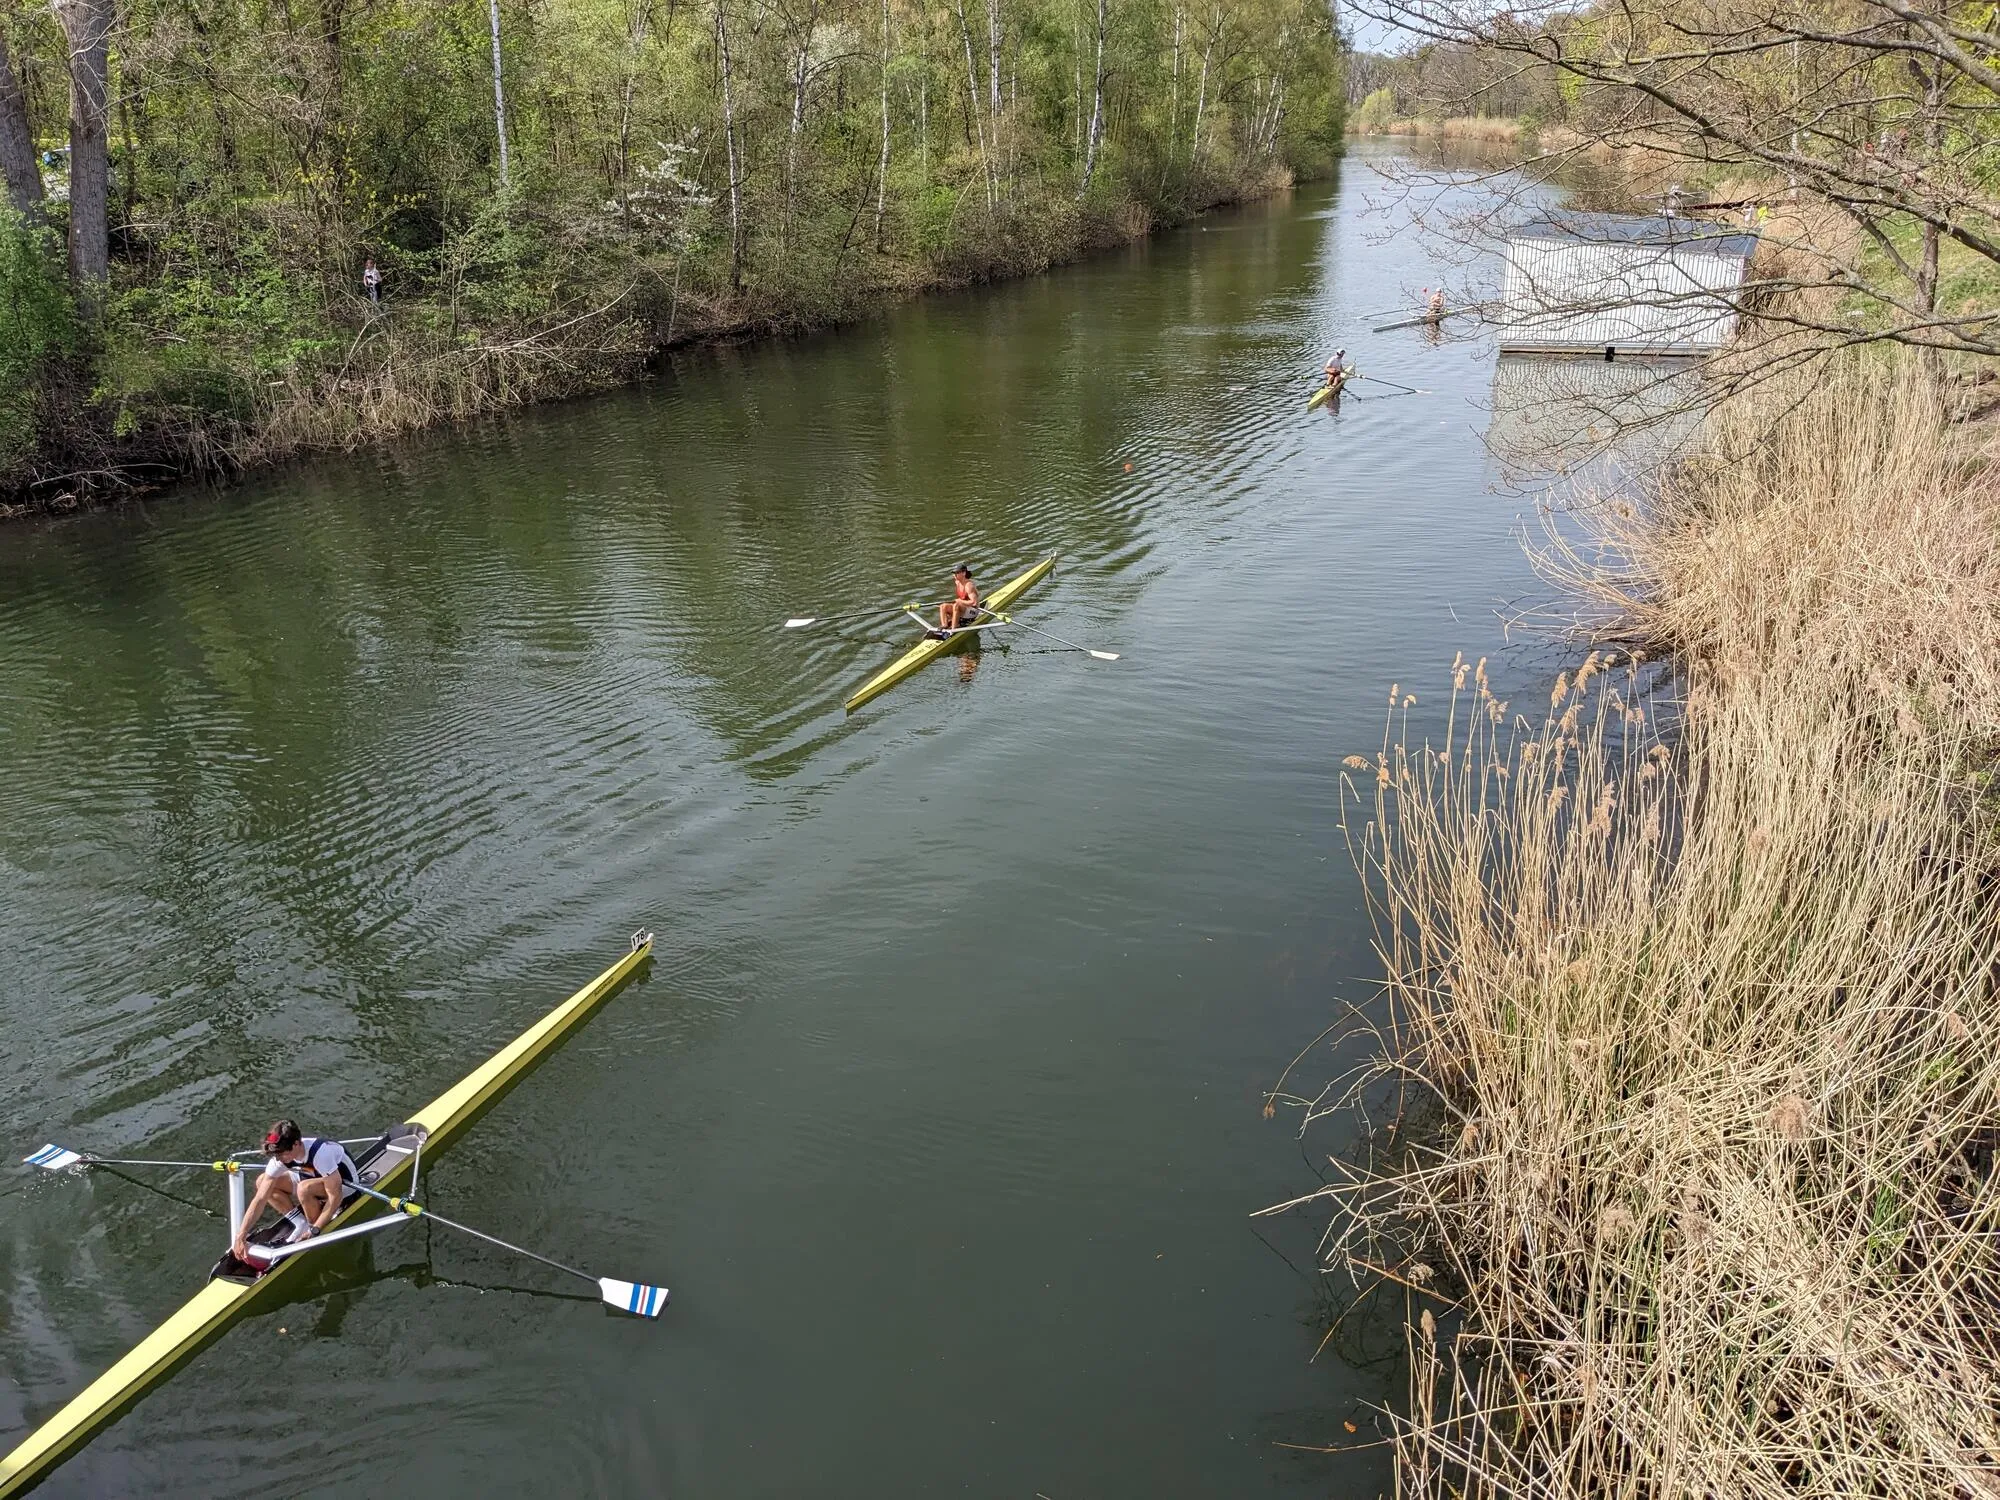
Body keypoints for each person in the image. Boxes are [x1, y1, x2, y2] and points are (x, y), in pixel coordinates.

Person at [231, 1121, 357, 1262]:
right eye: (276, 1155)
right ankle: (300, 1223)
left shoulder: (322, 1153)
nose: (279, 1159)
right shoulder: (282, 1156)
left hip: (346, 1187)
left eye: (282, 1154)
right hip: (312, 1177)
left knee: (304, 1189)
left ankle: (312, 1227)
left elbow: (336, 1196)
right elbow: (260, 1199)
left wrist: (315, 1229)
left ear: (296, 1144)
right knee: (262, 1183)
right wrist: (241, 1235)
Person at [933, 565, 981, 639]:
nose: (954, 575)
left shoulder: (969, 585)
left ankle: (953, 629)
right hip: (964, 608)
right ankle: (945, 625)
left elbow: (973, 603)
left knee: (956, 605)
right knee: (943, 606)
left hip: (973, 611)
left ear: (964, 573)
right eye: (954, 573)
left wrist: (960, 601)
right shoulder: (957, 582)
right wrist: (960, 602)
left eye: (957, 573)